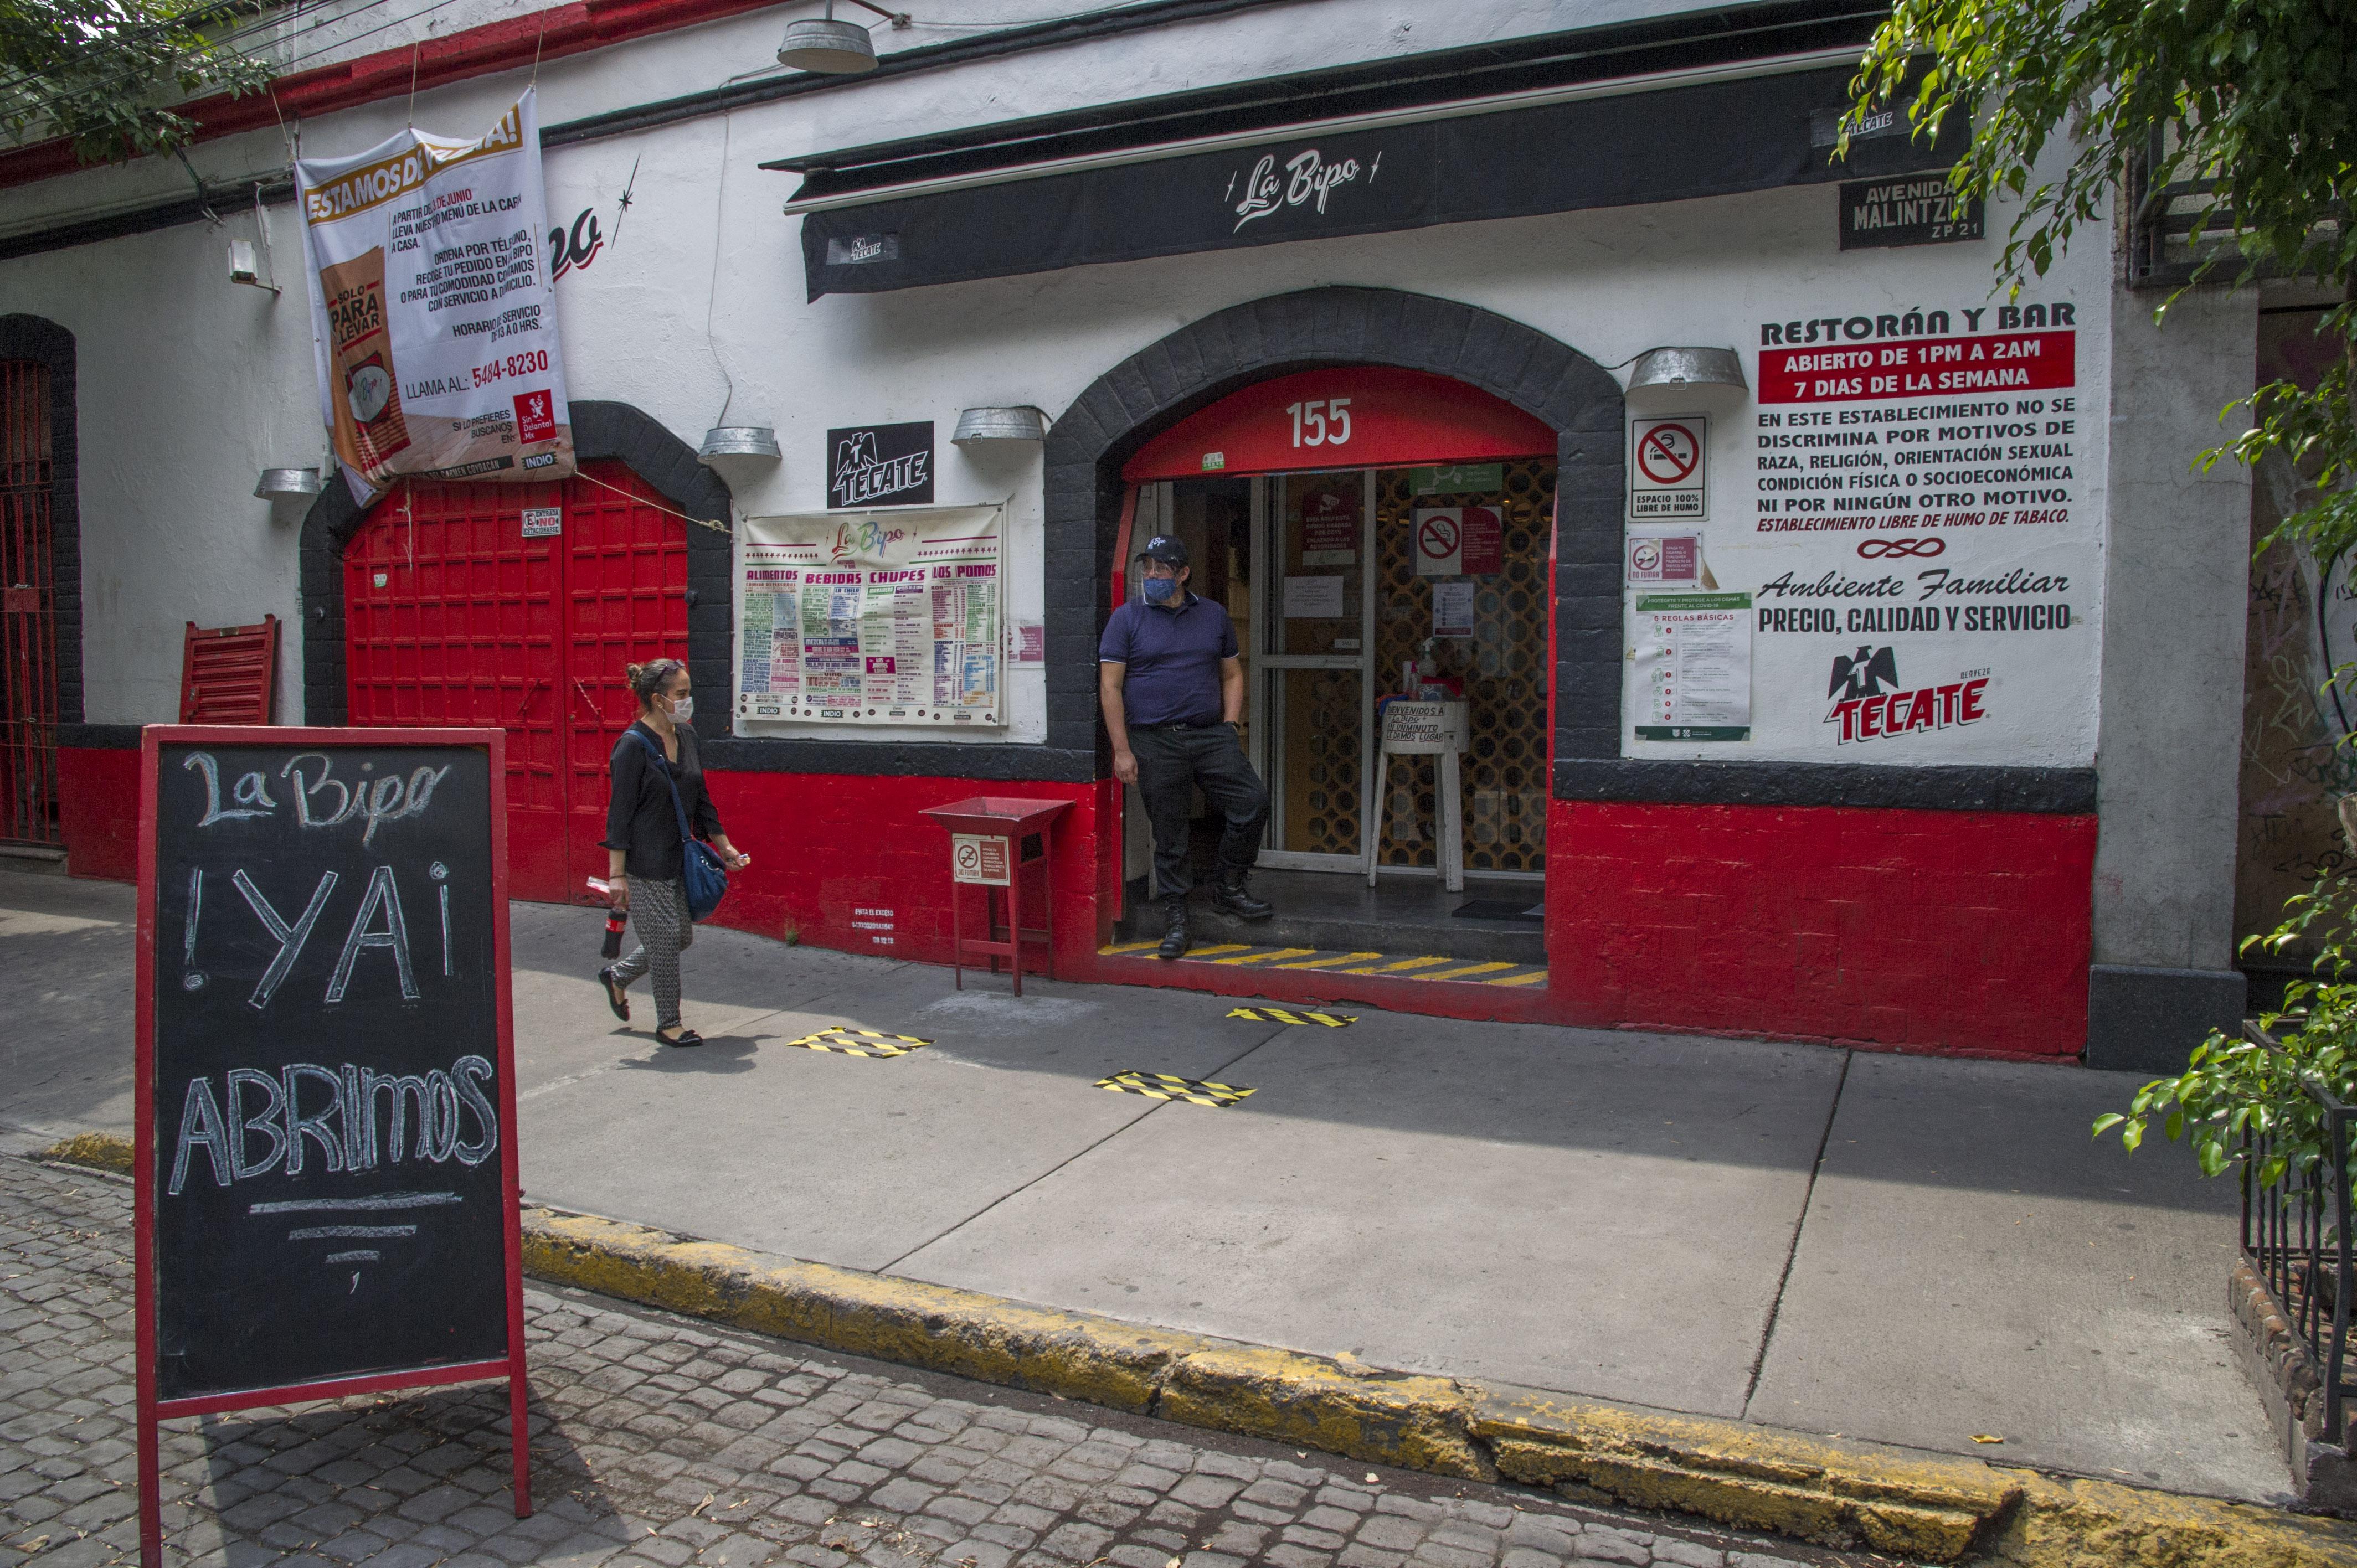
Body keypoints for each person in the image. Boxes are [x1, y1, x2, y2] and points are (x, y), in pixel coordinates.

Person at [1099, 534, 1274, 960]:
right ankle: (1178, 920)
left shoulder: (1213, 615)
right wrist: (1122, 749)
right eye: (1148, 568)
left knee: (1253, 802)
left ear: (1183, 574)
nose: (1152, 576)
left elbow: (1232, 674)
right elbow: (1110, 686)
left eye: (1162, 569)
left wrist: (1230, 725)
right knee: (1171, 833)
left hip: (1210, 735)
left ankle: (1229, 887)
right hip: (1154, 739)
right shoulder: (1127, 618)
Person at [597, 658, 750, 1046]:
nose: (688, 701)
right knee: (665, 941)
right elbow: (619, 815)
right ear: (657, 699)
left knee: (679, 937)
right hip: (645, 861)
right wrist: (617, 875)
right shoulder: (632, 746)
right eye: (681, 695)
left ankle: (617, 976)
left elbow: (701, 799)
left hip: (680, 856)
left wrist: (725, 846)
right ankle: (669, 1023)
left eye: (689, 693)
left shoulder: (689, 738)